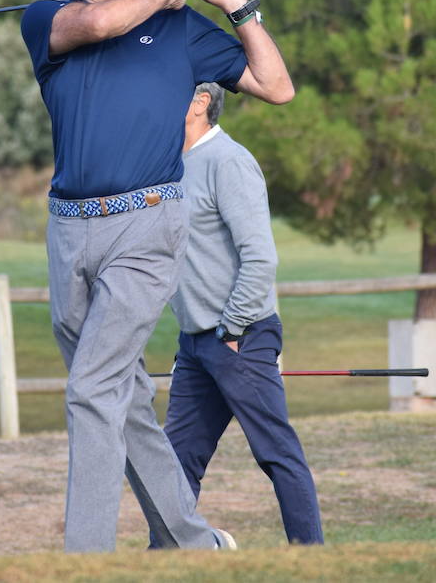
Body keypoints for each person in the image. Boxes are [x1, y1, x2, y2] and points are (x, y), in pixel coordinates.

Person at [21, 0, 294, 553]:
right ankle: (194, 544)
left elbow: (274, 85)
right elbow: (99, 22)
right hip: (69, 233)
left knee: (91, 389)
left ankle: (83, 560)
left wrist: (238, 7)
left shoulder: (181, 33)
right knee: (123, 398)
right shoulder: (47, 17)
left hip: (145, 229)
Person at [160, 81, 324, 546]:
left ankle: (313, 561)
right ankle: (165, 559)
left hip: (240, 336)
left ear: (200, 103)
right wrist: (193, 335)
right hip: (195, 344)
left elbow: (260, 259)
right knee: (176, 460)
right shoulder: (172, 166)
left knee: (276, 453)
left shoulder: (228, 162)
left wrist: (231, 330)